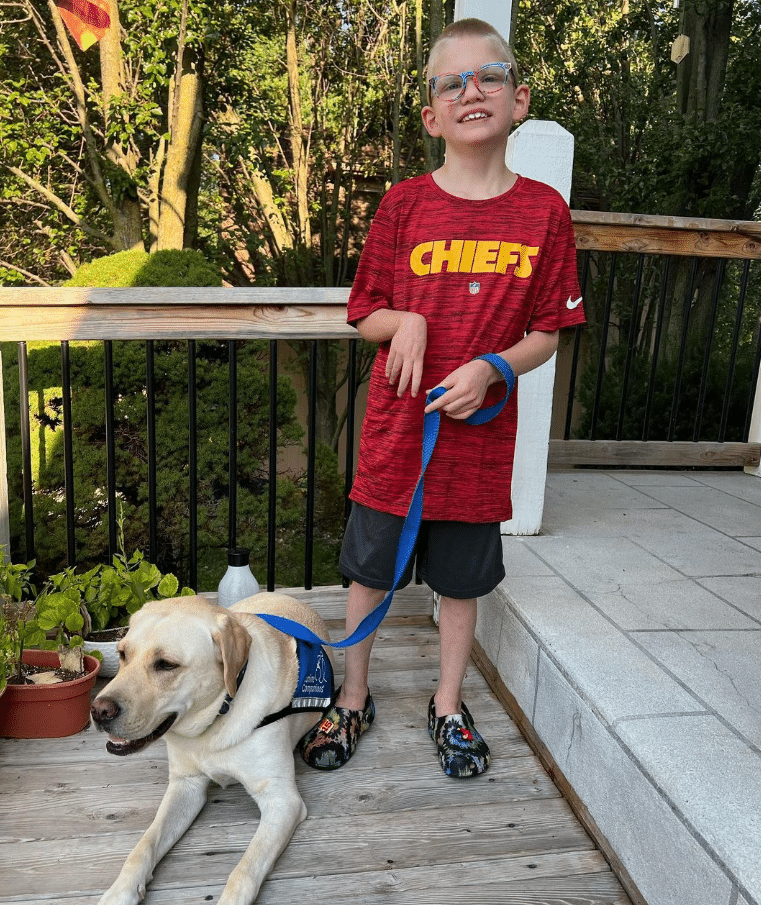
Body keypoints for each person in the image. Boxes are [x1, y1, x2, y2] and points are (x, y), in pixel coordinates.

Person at [300, 17, 585, 778]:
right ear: (430, 115)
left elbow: (548, 331)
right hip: (397, 441)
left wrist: (493, 366)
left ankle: (448, 702)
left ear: (517, 99)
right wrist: (410, 318)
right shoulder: (401, 207)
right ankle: (352, 696)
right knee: (368, 572)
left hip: (478, 450)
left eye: (488, 76)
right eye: (450, 82)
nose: (471, 91)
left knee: (461, 586)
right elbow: (364, 313)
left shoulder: (544, 214)